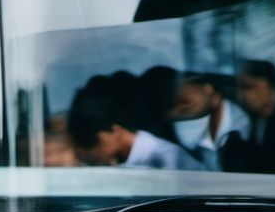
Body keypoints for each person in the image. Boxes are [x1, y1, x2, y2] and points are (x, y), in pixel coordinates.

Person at [67, 72, 204, 170]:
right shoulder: (120, 164)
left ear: (116, 130)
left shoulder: (167, 159)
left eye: (91, 143)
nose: (92, 153)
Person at [170, 73, 251, 171]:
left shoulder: (241, 126)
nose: (177, 112)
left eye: (185, 101)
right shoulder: (197, 130)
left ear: (207, 89)